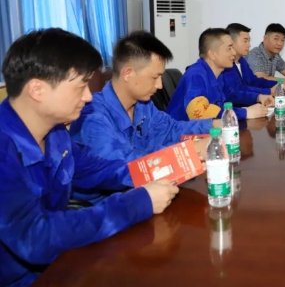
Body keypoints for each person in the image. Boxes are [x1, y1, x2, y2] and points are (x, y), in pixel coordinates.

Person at [0, 29, 177, 287]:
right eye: (80, 86)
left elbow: (98, 169)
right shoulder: (4, 150)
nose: (88, 96)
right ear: (37, 89)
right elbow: (35, 238)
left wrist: (166, 167)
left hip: (61, 262)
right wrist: (137, 203)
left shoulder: (55, 133)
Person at [68, 31, 219, 199]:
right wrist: (188, 152)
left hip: (148, 191)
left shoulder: (143, 105)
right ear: (128, 73)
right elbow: (124, 166)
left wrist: (213, 124)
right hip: (108, 203)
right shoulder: (92, 116)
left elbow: (171, 129)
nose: (160, 85)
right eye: (155, 77)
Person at [166, 28, 269, 121]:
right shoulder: (196, 75)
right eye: (229, 48)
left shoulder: (218, 74)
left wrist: (258, 97)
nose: (234, 53)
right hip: (183, 134)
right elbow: (200, 113)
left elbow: (231, 95)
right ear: (212, 54)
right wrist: (245, 113)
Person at [220, 23, 278, 106]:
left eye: (249, 41)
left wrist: (277, 84)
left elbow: (254, 81)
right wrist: (268, 92)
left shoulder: (242, 61)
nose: (249, 45)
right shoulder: (226, 65)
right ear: (231, 42)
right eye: (245, 41)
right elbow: (237, 91)